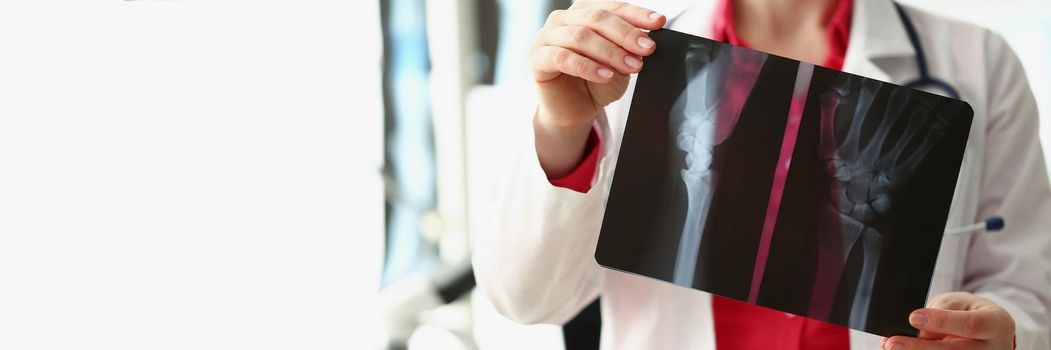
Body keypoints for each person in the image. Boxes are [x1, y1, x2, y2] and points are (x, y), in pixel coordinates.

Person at [471, 0, 1051, 349]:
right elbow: (527, 299)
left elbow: (1025, 290)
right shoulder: (616, 47)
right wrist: (564, 127)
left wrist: (1007, 334)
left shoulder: (979, 63)